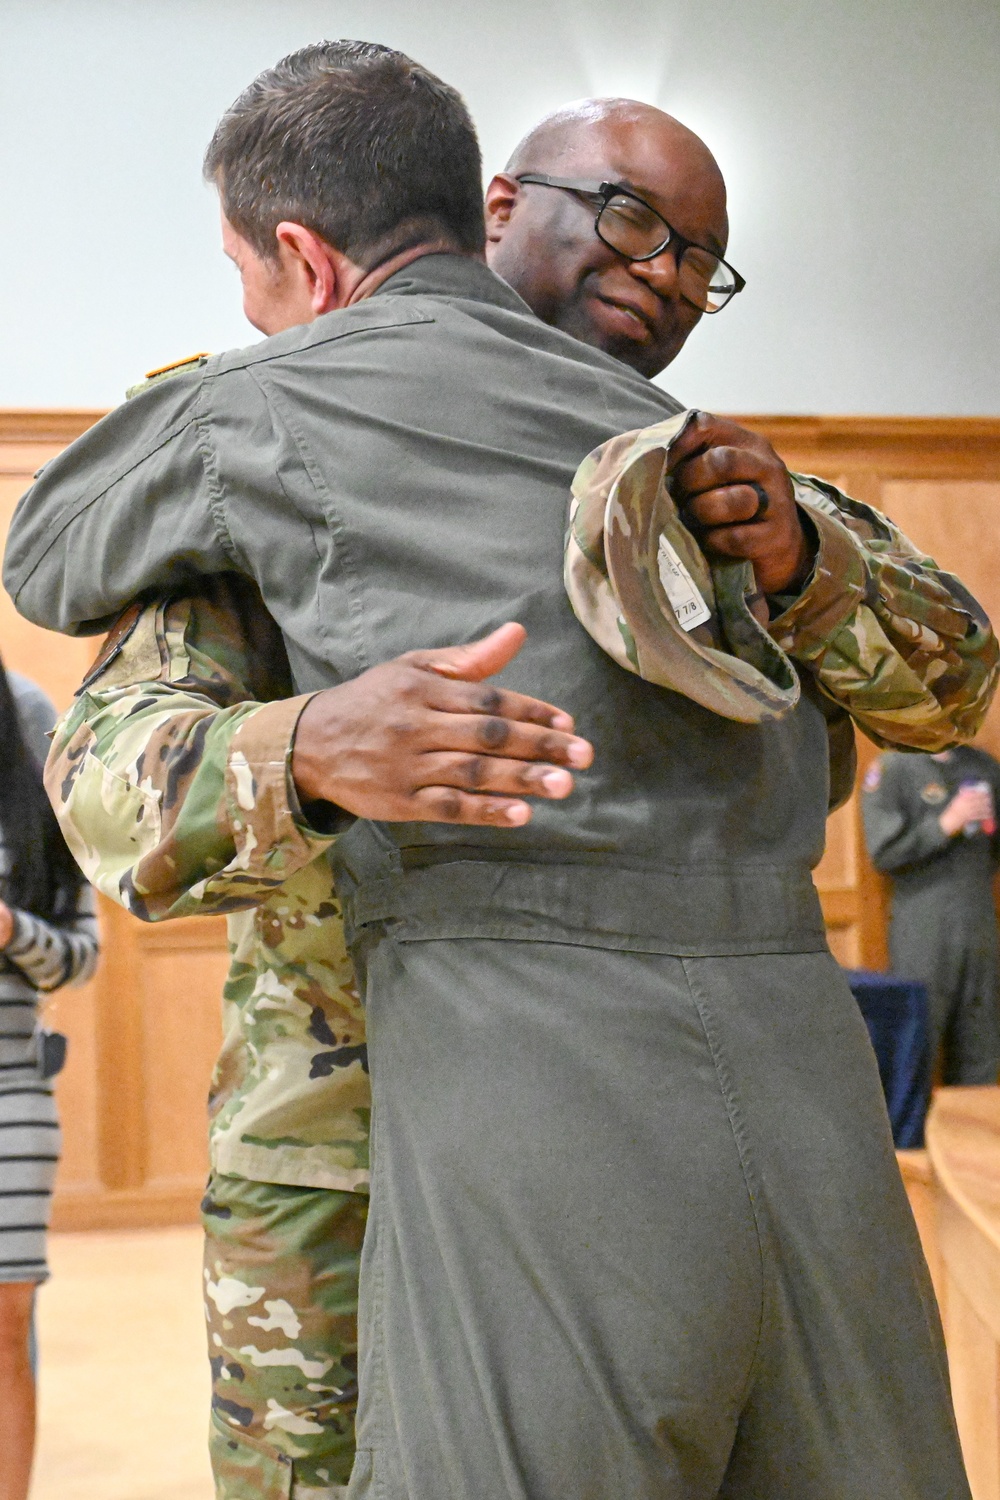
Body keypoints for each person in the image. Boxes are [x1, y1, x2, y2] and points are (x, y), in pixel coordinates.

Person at [6, 41, 993, 1499]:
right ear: (494, 206)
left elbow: (951, 674)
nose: (661, 273)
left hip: (677, 1101)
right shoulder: (271, 477)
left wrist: (800, 557)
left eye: (702, 263)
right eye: (630, 221)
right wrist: (306, 746)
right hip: (342, 1141)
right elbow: (105, 788)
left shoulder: (710, 493)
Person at [0, 658, 98, 1500]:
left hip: (11, 1096)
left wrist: (7, 929)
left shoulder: (33, 723)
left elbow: (81, 954)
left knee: (7, 1322)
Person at [863, 744, 1000, 1084]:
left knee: (982, 1043)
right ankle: (910, 1138)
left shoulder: (984, 766)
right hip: (924, 926)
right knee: (917, 1041)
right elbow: (883, 852)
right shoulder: (894, 767)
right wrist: (945, 823)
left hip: (979, 921)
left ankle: (971, 1136)